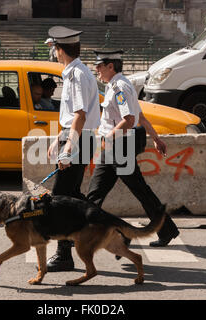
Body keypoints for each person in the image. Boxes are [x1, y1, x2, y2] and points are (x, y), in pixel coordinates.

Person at [86, 49, 180, 251]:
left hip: (118, 147)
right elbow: (141, 116)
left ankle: (161, 230)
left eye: (99, 66)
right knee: (95, 194)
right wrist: (156, 138)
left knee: (139, 191)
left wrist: (108, 139)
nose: (97, 71)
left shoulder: (120, 88)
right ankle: (89, 233)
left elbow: (129, 120)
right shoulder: (120, 85)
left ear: (111, 66)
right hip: (113, 148)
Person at [45, 26, 101, 272]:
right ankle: (114, 229)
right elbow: (73, 117)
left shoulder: (77, 74)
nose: (53, 54)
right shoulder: (75, 72)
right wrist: (60, 136)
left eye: (54, 49)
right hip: (78, 137)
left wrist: (68, 147)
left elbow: (80, 115)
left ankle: (64, 255)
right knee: (73, 195)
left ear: (61, 50)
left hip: (79, 139)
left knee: (60, 199)